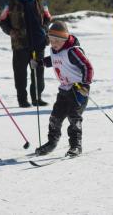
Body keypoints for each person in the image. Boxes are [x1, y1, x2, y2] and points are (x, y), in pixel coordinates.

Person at [30, 21, 94, 157]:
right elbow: (53, 60)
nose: (53, 43)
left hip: (78, 89)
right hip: (64, 89)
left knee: (74, 117)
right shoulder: (55, 50)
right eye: (51, 40)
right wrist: (40, 63)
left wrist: (85, 84)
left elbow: (87, 67)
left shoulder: (73, 51)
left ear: (65, 39)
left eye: (57, 41)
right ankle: (52, 142)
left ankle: (75, 146)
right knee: (55, 117)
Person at [0, 0, 52, 108]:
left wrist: (44, 29)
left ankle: (37, 98)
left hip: (38, 43)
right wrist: (10, 32)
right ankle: (22, 100)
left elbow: (47, 17)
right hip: (20, 44)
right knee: (20, 74)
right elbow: (2, 21)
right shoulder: (10, 3)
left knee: (38, 74)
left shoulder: (40, 1)